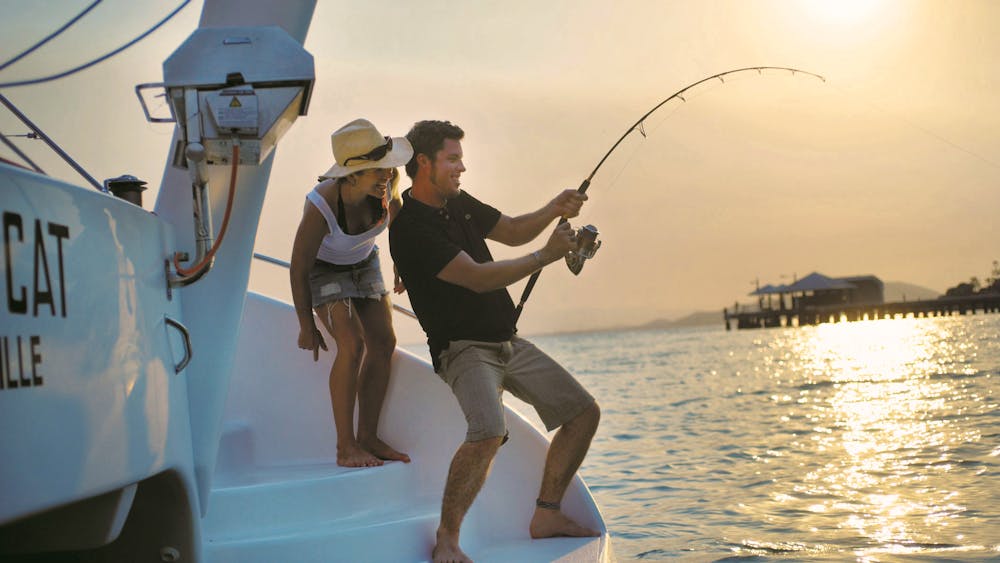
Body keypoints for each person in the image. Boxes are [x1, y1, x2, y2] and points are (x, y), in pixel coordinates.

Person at [389, 120, 601, 562]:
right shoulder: (410, 228)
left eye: (461, 159)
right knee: (489, 432)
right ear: (424, 163)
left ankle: (547, 514)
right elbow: (477, 278)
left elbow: (511, 229)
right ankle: (447, 538)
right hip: (462, 349)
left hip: (507, 339)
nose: (462, 167)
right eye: (453, 158)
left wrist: (553, 207)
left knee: (583, 413)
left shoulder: (458, 201)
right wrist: (546, 255)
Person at [290, 118, 412, 468]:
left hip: (364, 262)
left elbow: (398, 221)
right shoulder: (321, 205)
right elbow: (299, 267)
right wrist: (305, 324)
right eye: (378, 170)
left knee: (384, 342)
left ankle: (368, 437)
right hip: (323, 269)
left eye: (387, 167)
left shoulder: (386, 189)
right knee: (352, 343)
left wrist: (399, 264)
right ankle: (345, 447)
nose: (386, 175)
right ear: (351, 175)